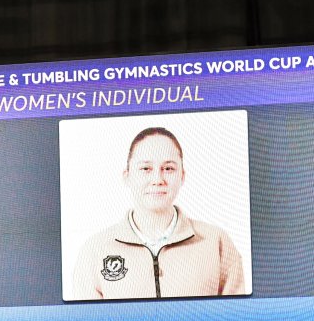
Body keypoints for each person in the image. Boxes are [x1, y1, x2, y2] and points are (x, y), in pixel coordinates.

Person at [70, 127, 245, 300]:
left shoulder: (216, 242)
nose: (157, 180)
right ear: (127, 176)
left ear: (182, 176)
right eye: (145, 169)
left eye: (168, 169)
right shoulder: (95, 250)